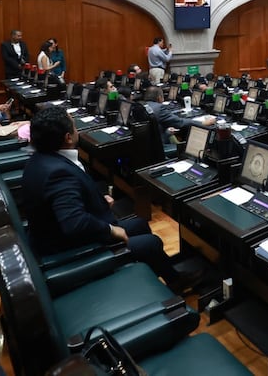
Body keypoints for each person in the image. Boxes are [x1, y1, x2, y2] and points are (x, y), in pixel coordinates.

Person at [22, 106, 200, 293]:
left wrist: (96, 200)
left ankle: (157, 269)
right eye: (74, 127)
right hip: (68, 248)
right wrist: (111, 230)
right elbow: (74, 223)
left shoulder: (41, 160)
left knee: (140, 224)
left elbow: (65, 202)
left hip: (56, 235)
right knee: (151, 243)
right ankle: (172, 283)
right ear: (68, 137)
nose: (77, 131)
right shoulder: (57, 173)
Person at [142, 86, 214, 143]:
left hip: (147, 143)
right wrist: (203, 123)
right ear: (159, 98)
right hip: (159, 145)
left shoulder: (142, 105)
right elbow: (180, 123)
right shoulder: (159, 108)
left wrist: (166, 130)